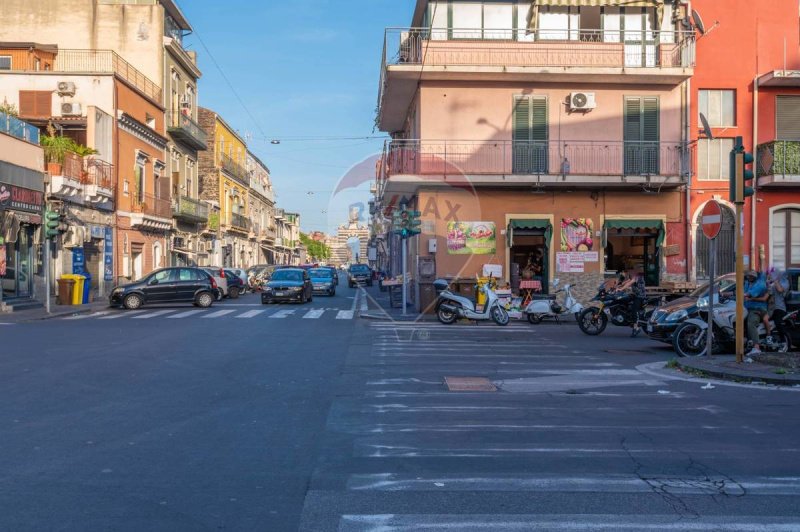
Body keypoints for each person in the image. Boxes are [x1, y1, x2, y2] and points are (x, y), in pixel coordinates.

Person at [743, 270, 769, 355]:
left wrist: (746, 295)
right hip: (746, 308)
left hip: (757, 309)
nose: (749, 277)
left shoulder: (760, 284)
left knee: (751, 323)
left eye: (751, 276)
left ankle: (756, 347)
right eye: (748, 275)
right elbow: (741, 292)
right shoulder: (747, 283)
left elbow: (751, 293)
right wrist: (724, 294)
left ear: (755, 277)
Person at [765, 269, 790, 345]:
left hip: (779, 307)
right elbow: (770, 294)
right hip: (770, 308)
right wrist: (768, 284)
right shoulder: (773, 283)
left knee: (778, 321)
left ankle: (783, 341)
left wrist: (775, 280)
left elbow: (780, 289)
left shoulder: (785, 282)